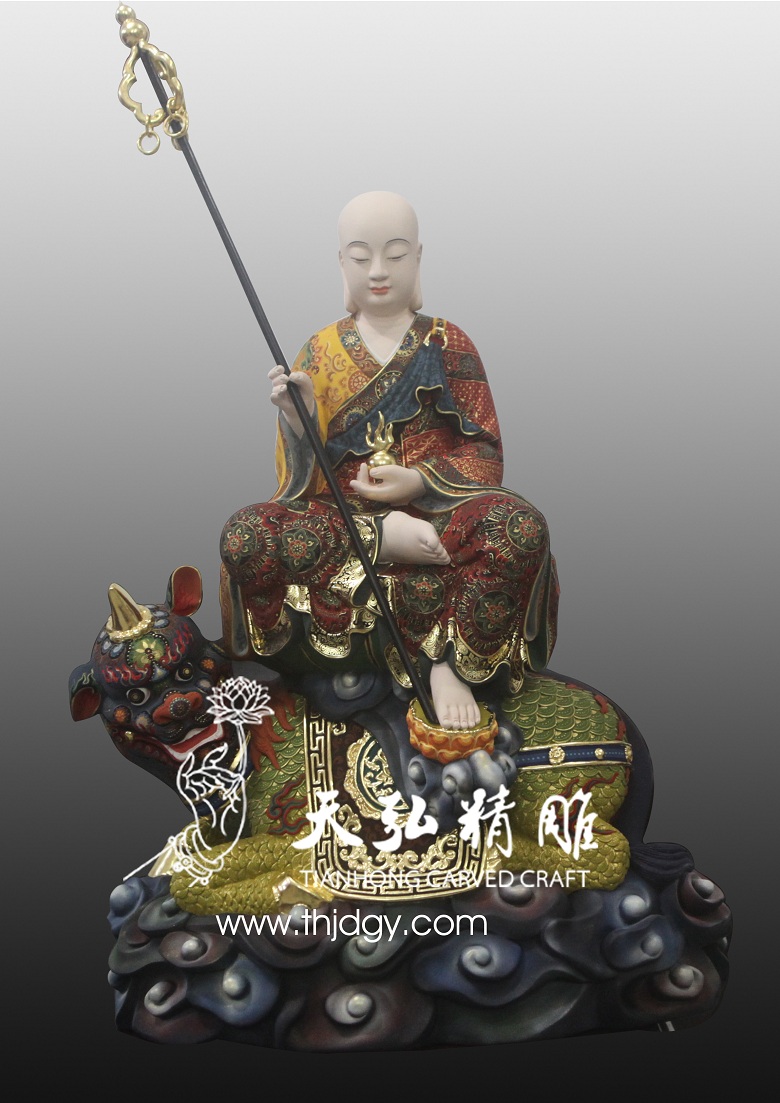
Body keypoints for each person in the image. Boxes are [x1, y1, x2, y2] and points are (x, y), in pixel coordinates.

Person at [219, 191, 559, 730]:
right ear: (342, 263)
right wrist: (300, 420)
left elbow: (485, 454)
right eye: (361, 257)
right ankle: (380, 558)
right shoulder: (319, 351)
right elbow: (297, 485)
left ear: (417, 258)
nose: (378, 271)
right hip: (344, 525)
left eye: (395, 255)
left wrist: (418, 482)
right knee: (246, 534)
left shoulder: (447, 342)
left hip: (440, 523)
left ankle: (451, 661)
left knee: (520, 528)